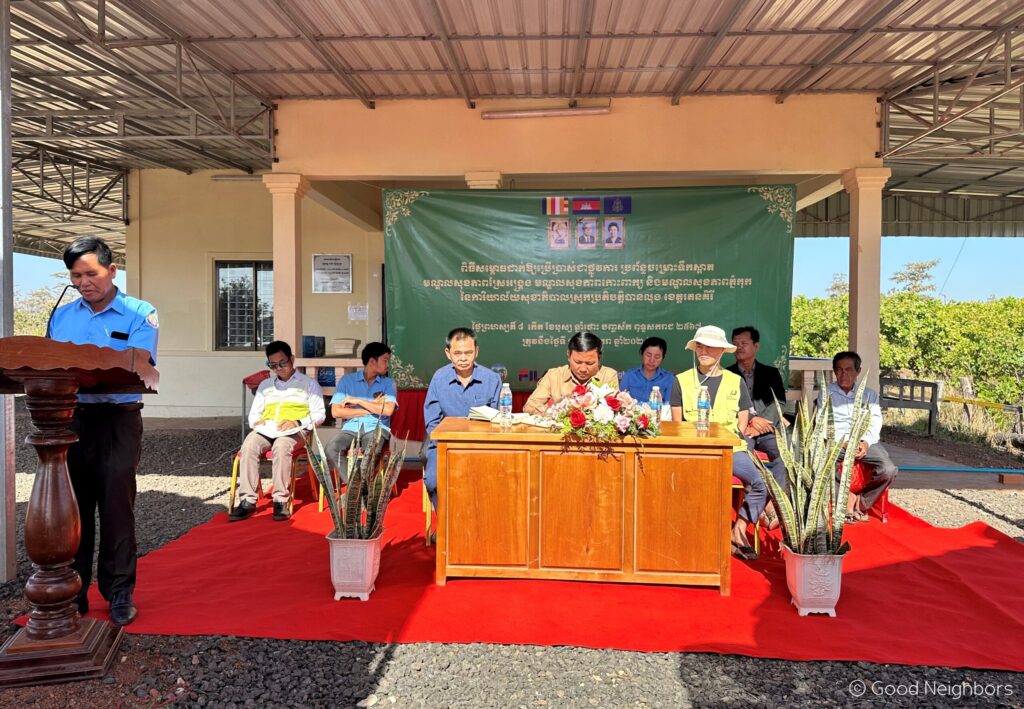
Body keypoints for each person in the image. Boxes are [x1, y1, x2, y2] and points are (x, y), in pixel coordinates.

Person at [47, 236, 159, 626]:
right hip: (71, 419)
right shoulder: (62, 317)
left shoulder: (139, 312)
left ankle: (119, 592)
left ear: (112, 270)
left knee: (115, 505)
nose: (83, 282)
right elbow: (49, 365)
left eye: (90, 273)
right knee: (71, 509)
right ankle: (72, 591)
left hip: (118, 419)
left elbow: (140, 363)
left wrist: (93, 366)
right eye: (75, 275)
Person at [669, 325, 762, 560]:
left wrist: (728, 440)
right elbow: (677, 423)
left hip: (730, 450)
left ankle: (738, 530)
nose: (704, 350)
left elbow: (742, 423)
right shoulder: (680, 381)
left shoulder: (735, 381)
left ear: (722, 350)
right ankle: (690, 536)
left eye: (710, 346)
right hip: (694, 450)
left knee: (761, 483)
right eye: (700, 345)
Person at [230, 340, 326, 523]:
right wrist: (257, 422)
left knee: (281, 447)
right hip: (267, 429)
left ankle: (280, 500)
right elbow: (253, 414)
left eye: (283, 363)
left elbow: (319, 415)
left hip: (295, 431)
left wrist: (298, 421)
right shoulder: (265, 386)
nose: (279, 368)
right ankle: (247, 500)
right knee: (249, 445)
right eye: (273, 365)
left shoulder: (309, 384)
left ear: (292, 359)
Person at [423, 328, 503, 508]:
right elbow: (432, 421)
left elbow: (497, 420)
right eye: (457, 353)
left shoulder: (492, 379)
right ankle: (445, 525)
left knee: (490, 482)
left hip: (481, 445)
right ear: (448, 353)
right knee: (434, 482)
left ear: (477, 352)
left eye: (468, 352)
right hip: (445, 445)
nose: (463, 358)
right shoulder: (439, 378)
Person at [822, 351, 898, 522]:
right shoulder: (827, 393)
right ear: (834, 372)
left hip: (865, 442)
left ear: (858, 371)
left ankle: (861, 503)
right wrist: (844, 442)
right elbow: (824, 423)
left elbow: (875, 422)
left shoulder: (869, 395)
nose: (844, 374)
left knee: (889, 469)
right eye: (839, 370)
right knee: (820, 464)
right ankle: (845, 498)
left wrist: (865, 442)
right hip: (838, 443)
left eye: (849, 370)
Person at [324, 342, 398, 482]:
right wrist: (372, 407)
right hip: (350, 429)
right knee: (331, 448)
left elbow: (388, 410)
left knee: (372, 449)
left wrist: (357, 401)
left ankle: (356, 493)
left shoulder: (388, 383)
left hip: (377, 428)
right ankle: (355, 487)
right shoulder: (347, 381)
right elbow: (335, 412)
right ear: (372, 361)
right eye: (385, 360)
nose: (388, 365)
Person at [524, 332, 618, 415]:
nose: (583, 369)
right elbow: (529, 406)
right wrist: (556, 414)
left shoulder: (608, 376)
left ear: (599, 359)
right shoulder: (554, 375)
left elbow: (613, 410)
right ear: (568, 356)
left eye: (589, 363)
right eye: (578, 362)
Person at [619, 337, 675, 409]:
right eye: (648, 355)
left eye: (657, 357)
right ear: (642, 354)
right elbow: (621, 403)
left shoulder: (669, 379)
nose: (652, 360)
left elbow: (669, 406)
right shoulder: (629, 376)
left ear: (662, 358)